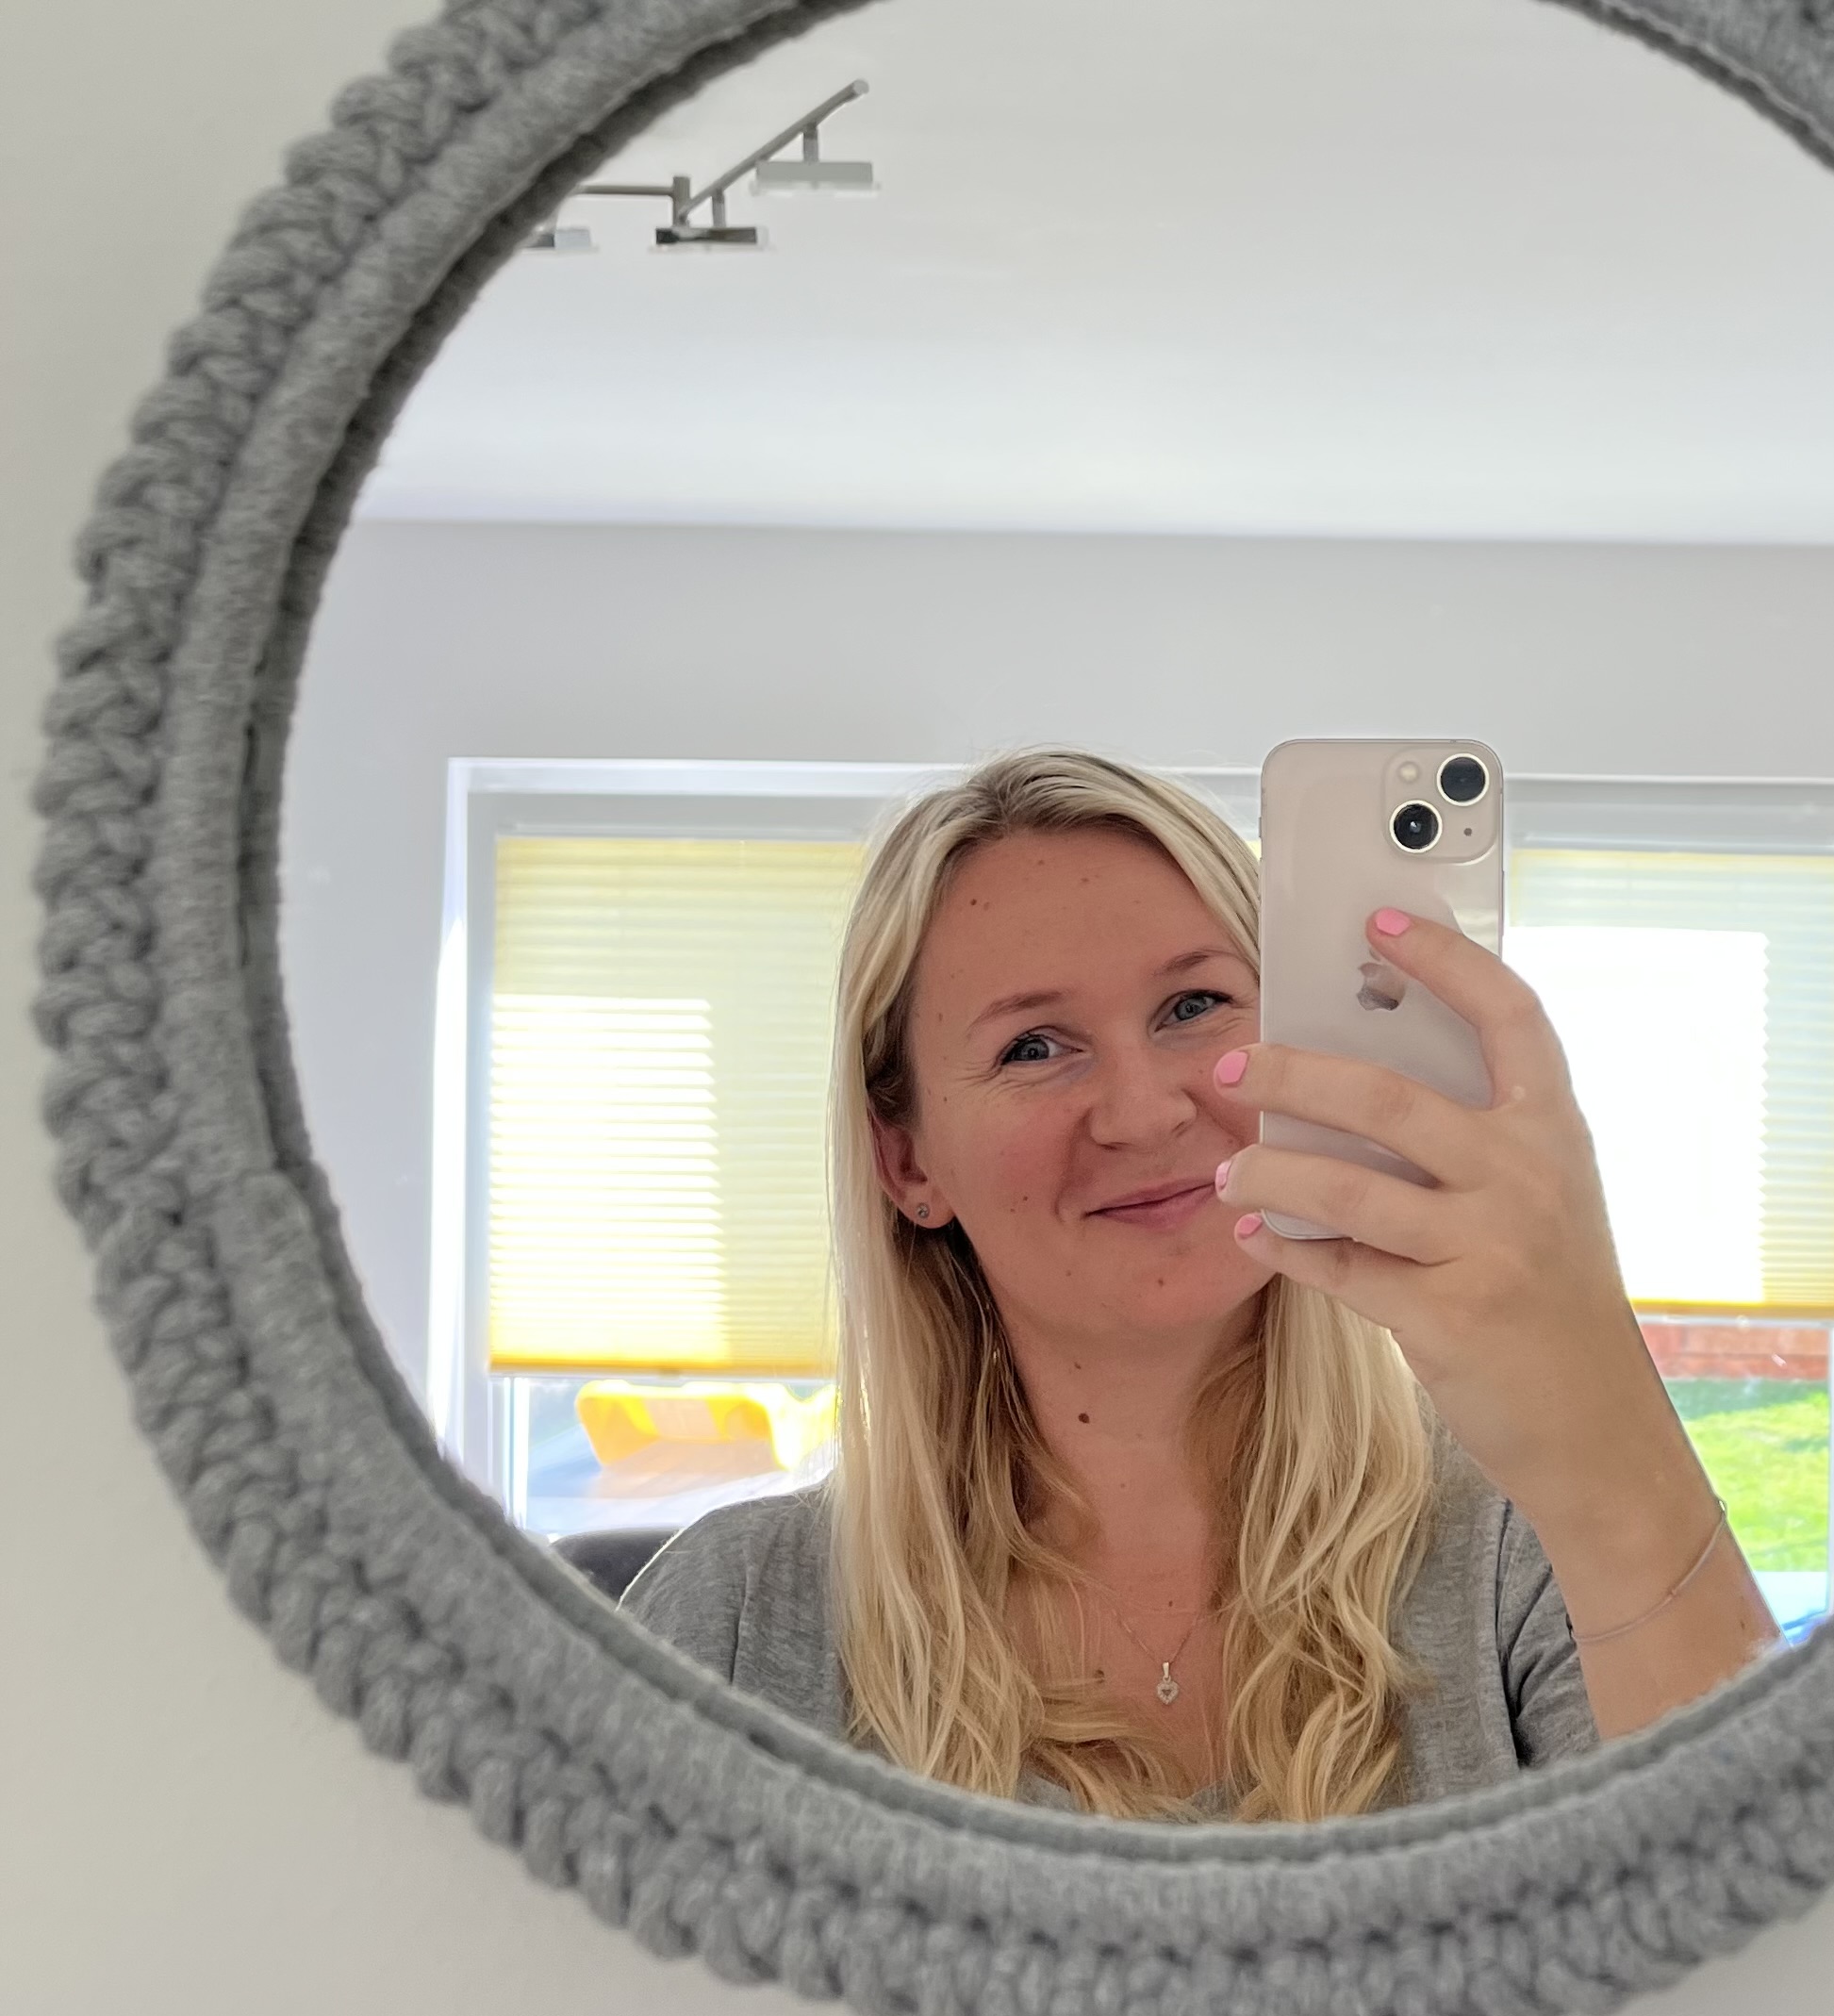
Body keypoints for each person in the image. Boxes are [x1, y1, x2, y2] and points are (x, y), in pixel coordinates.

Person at [624, 752, 1775, 1820]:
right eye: (1033, 1046)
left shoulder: (1523, 1556)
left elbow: (1763, 1918)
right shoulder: (732, 1619)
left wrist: (1599, 1415)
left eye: (1194, 1006)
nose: (1145, 1111)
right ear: (907, 1161)